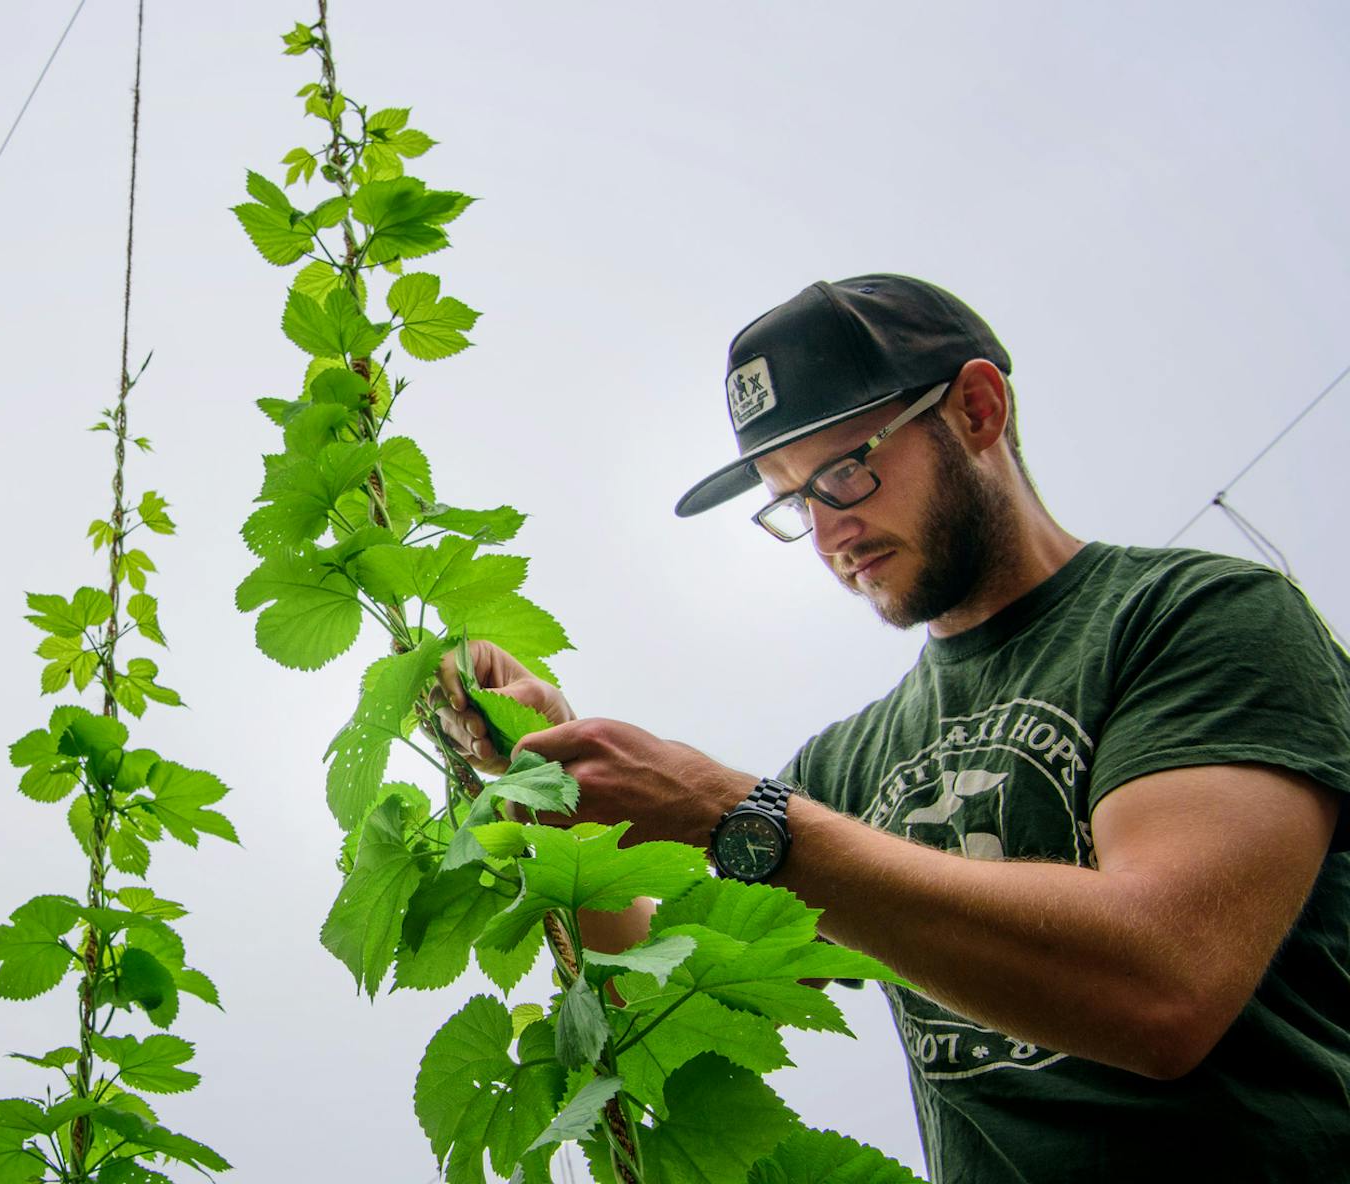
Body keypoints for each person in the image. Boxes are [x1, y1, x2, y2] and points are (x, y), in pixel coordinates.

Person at [433, 274, 1350, 1182]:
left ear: (979, 410)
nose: (830, 531)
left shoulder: (1193, 619)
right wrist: (555, 790)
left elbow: (1165, 986)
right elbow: (655, 990)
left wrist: (736, 815)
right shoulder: (845, 766)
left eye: (842, 469)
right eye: (793, 499)